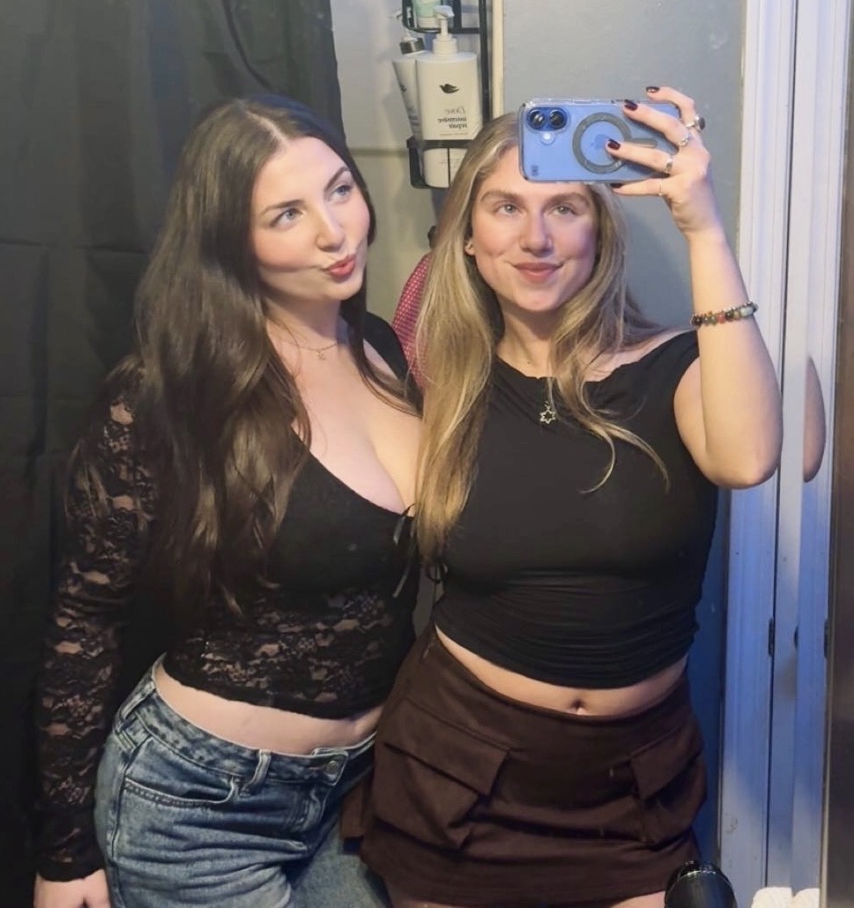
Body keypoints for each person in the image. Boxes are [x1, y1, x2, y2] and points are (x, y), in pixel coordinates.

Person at [350, 87, 783, 908]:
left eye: (565, 208)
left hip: (632, 796)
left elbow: (749, 455)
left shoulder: (678, 367)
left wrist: (703, 228)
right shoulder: (439, 384)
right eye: (506, 207)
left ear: (600, 232)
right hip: (455, 782)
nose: (536, 238)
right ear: (468, 238)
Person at [34, 95, 421, 908]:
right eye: (287, 214)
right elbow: (85, 619)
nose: (335, 231)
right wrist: (63, 853)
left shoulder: (381, 346)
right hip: (198, 805)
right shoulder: (169, 393)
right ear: (229, 240)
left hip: (356, 790)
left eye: (340, 189)